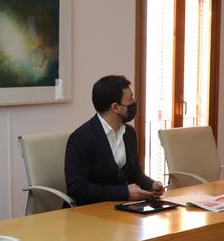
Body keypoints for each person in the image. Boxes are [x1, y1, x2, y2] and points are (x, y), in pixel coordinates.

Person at [65, 75, 164, 205]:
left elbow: (134, 173)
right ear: (115, 107)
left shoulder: (129, 133)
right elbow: (77, 189)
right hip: (89, 211)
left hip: (121, 208)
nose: (134, 102)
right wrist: (124, 193)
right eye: (131, 99)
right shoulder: (81, 138)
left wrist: (151, 184)